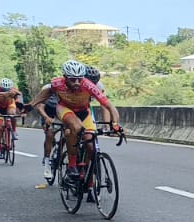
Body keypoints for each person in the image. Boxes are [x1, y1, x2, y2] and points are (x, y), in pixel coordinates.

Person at [25, 59, 123, 188]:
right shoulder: (56, 84)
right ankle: (71, 165)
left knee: (90, 145)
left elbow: (109, 105)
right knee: (75, 127)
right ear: (65, 77)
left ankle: (88, 181)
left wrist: (115, 124)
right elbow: (42, 97)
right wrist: (30, 105)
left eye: (79, 79)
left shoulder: (89, 85)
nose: (77, 83)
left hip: (84, 112)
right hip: (64, 109)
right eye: (72, 79)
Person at [0, 78, 24, 158]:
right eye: (3, 90)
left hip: (9, 105)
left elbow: (20, 99)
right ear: (0, 88)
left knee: (12, 114)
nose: (6, 91)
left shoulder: (14, 90)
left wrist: (21, 109)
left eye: (7, 90)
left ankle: (14, 131)